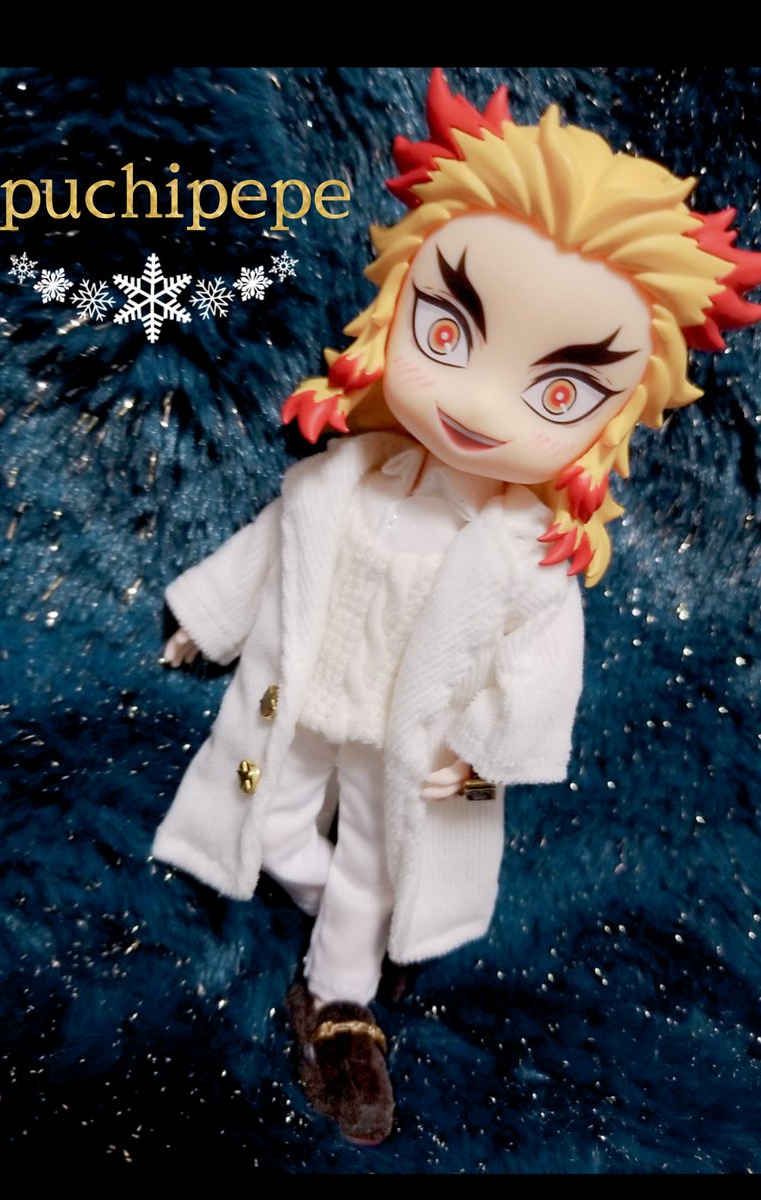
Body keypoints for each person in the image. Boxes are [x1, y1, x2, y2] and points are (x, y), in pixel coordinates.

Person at [153, 69, 761, 1145]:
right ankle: (341, 916)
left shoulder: (527, 559)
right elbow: (271, 550)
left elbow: (538, 672)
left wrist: (479, 758)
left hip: (408, 746)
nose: (480, 401)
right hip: (294, 709)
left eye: (559, 391)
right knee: (267, 811)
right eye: (447, 334)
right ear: (400, 303)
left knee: (370, 864)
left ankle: (340, 1003)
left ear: (614, 418)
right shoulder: (337, 479)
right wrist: (208, 620)